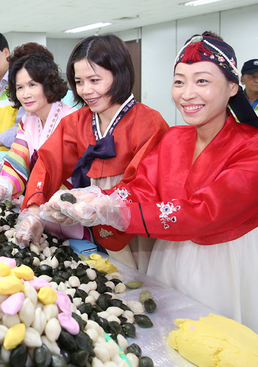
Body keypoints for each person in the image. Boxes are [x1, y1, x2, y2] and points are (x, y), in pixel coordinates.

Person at [41, 33, 258, 360]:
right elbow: (142, 185)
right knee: (175, 343)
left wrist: (118, 212)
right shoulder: (174, 139)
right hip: (173, 256)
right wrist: (99, 200)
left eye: (202, 81)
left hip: (237, 269)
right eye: (179, 82)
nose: (187, 93)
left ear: (232, 86)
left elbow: (204, 212)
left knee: (235, 352)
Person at [18, 35, 169, 271]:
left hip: (136, 222)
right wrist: (34, 210)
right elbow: (48, 163)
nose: (86, 90)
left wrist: (102, 204)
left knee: (140, 276)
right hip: (93, 221)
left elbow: (146, 184)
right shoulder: (76, 122)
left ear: (119, 74)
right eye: (79, 82)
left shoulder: (148, 122)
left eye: (95, 80)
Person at [0, 44, 74, 196]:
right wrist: (3, 185)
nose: (25, 94)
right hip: (38, 198)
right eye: (20, 87)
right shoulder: (28, 120)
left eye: (32, 85)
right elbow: (18, 159)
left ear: (48, 83)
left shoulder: (71, 120)